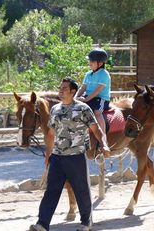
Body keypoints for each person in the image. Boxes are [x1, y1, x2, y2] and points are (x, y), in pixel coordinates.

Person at [29, 77, 110, 231]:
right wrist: (48, 156)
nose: (60, 90)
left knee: (81, 190)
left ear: (73, 92)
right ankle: (42, 223)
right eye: (60, 87)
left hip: (76, 157)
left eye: (64, 88)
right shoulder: (55, 109)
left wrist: (104, 144)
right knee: (51, 190)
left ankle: (86, 223)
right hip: (57, 157)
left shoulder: (83, 109)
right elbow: (51, 135)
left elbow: (96, 129)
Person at [76, 48, 111, 156]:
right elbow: (83, 87)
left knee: (97, 112)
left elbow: (97, 91)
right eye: (89, 61)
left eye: (92, 61)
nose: (89, 63)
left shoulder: (104, 74)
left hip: (100, 99)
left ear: (100, 63)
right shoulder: (88, 74)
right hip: (88, 97)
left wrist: (86, 99)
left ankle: (103, 140)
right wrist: (76, 97)